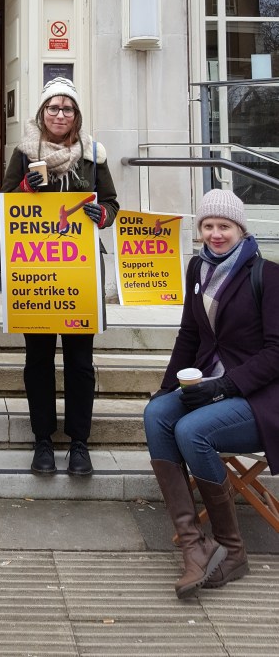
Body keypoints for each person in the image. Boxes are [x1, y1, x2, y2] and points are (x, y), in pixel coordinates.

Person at [144, 189, 279, 598]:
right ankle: (194, 545)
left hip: (260, 397)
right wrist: (167, 387)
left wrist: (225, 385)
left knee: (192, 432)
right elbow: (190, 333)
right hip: (207, 384)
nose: (215, 234)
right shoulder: (196, 269)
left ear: (240, 229)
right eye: (208, 226)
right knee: (157, 416)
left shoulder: (268, 275)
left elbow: (277, 351)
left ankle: (233, 551)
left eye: (224, 226)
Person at [1, 77, 119, 477]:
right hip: (36, 272)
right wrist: (23, 189)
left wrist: (101, 215)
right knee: (38, 359)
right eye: (53, 107)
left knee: (80, 361)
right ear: (42, 112)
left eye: (67, 109)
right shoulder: (25, 151)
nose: (59, 114)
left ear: (76, 115)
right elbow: (4, 205)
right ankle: (43, 441)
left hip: (80, 270)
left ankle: (80, 443)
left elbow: (111, 203)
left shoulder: (93, 154)